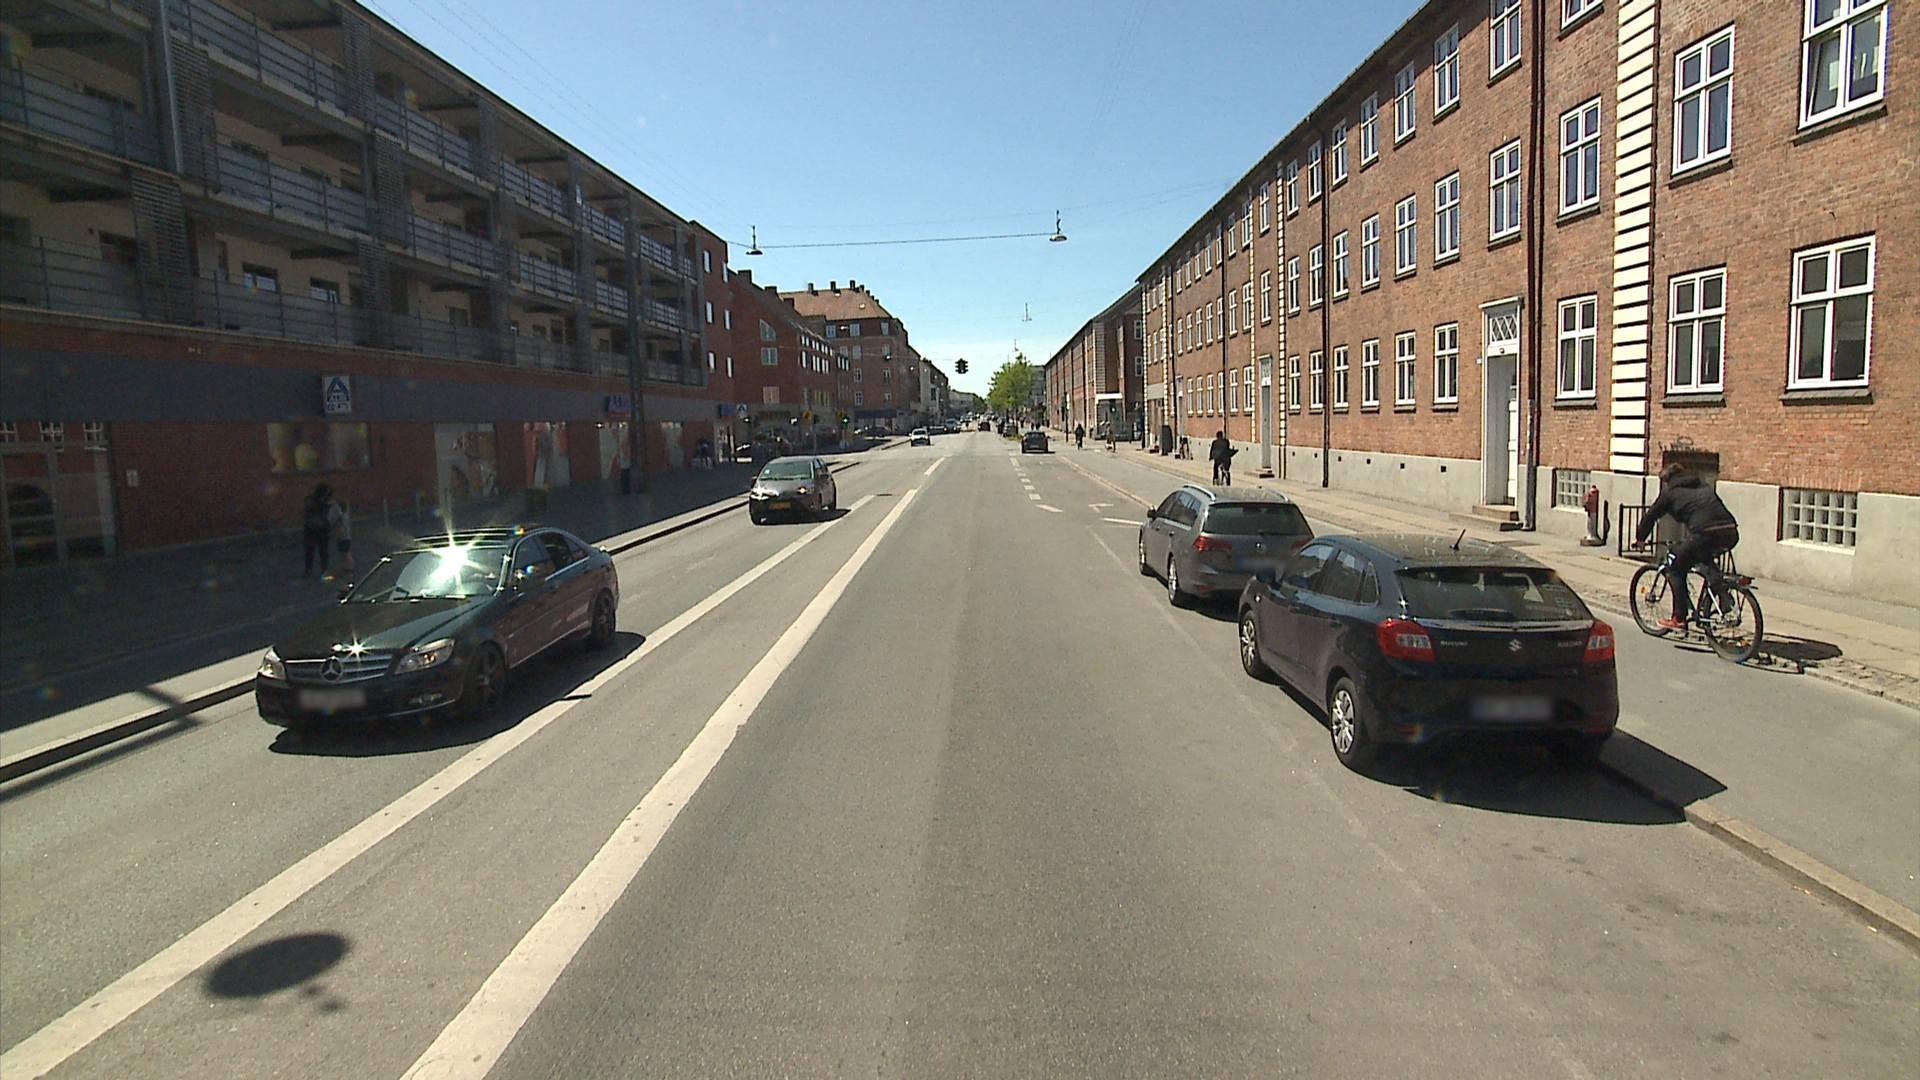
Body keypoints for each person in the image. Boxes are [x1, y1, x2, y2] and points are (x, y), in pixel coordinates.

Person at [1635, 463, 1740, 629]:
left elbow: (1651, 516)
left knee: (1675, 567)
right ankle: (1722, 594)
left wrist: (1640, 538)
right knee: (1703, 557)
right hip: (1730, 531)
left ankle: (1679, 618)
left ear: (1667, 480)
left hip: (1704, 533)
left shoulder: (1669, 492)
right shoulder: (1701, 485)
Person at [301, 483, 333, 579]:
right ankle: (321, 570)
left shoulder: (310, 500)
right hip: (318, 529)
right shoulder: (323, 502)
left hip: (313, 529)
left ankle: (311, 570)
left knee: (313, 551)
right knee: (320, 551)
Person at [327, 490, 354, 580]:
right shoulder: (344, 513)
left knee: (346, 553)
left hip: (344, 536)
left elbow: (340, 525)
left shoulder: (341, 516)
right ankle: (346, 568)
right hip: (344, 535)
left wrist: (337, 533)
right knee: (344, 552)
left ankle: (349, 569)